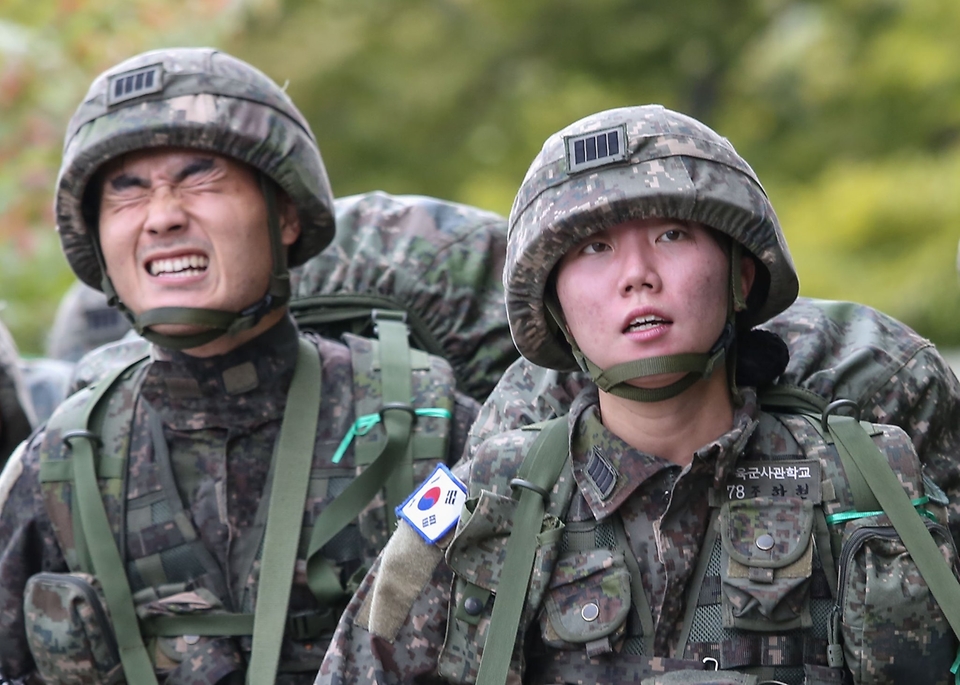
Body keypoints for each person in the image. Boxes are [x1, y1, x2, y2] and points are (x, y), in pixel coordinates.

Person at [318, 105, 960, 684]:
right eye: (595, 248)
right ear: (555, 307)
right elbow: (361, 665)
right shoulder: (487, 489)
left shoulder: (863, 476)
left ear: (741, 274)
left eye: (672, 236)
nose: (637, 277)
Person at [0, 47, 479, 685]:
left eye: (200, 177)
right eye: (127, 191)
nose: (163, 216)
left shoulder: (426, 426)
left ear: (284, 214)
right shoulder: (60, 462)